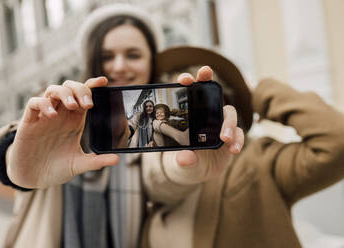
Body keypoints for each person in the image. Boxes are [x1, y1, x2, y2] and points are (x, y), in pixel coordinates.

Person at [0, 4, 243, 248]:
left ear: (151, 61)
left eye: (133, 54)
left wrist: (189, 167)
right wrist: (17, 158)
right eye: (107, 56)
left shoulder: (143, 128)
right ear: (93, 62)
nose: (120, 66)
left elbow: (161, 175)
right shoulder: (58, 113)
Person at [141, 46, 344, 247]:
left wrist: (253, 92)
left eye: (201, 98)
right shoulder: (147, 179)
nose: (191, 112)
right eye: (181, 101)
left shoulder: (260, 160)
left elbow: (337, 140)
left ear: (224, 104)